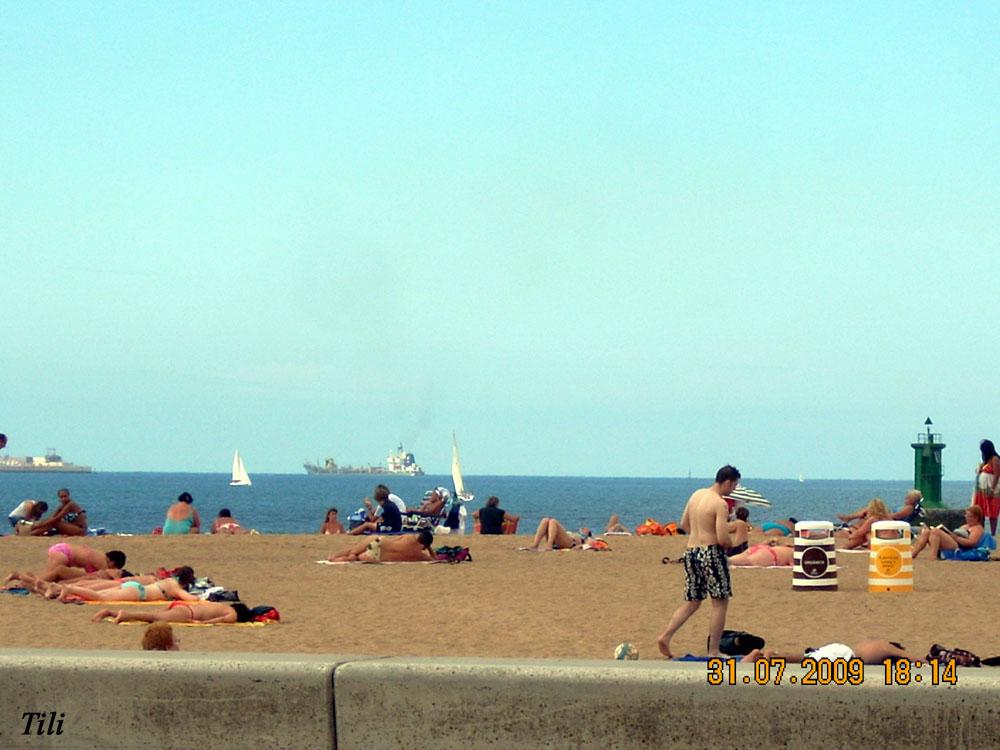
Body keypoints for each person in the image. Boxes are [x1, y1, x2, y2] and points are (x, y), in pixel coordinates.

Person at [656, 465, 739, 660]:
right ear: (728, 482)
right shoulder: (719, 503)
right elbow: (722, 538)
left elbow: (684, 524)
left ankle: (666, 635)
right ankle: (714, 650)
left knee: (692, 601)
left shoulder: (697, 495)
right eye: (734, 486)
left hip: (692, 551)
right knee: (720, 602)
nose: (733, 490)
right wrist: (732, 543)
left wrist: (701, 532)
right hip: (711, 553)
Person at [50, 566, 199, 603]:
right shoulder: (176, 588)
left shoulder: (169, 581)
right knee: (100, 597)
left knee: (99, 594)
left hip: (134, 586)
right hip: (139, 593)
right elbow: (192, 599)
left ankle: (68, 591)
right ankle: (70, 588)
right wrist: (197, 597)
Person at [4, 544, 126, 586]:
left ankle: (25, 578)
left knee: (50, 576)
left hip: (61, 550)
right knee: (47, 580)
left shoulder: (98, 555)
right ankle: (20, 578)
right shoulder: (102, 560)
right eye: (115, 568)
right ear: (113, 562)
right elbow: (105, 575)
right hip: (64, 554)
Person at [912, 505, 995, 561]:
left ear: (976, 517)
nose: (966, 518)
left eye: (969, 516)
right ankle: (913, 554)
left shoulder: (977, 528)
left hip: (959, 547)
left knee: (935, 531)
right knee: (927, 532)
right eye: (966, 516)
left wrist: (956, 538)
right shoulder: (966, 525)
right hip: (953, 541)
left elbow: (971, 543)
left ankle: (933, 556)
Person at [741, 639, 917, 665]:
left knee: (807, 658)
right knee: (807, 660)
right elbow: (906, 656)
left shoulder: (872, 647)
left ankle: (772, 655)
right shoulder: (883, 648)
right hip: (844, 656)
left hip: (840, 651)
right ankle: (771, 656)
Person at [93, 601, 253, 625]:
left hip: (185, 607)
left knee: (152, 615)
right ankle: (125, 615)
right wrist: (201, 623)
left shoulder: (224, 605)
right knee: (153, 618)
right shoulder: (233, 615)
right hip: (188, 613)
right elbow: (220, 620)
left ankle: (110, 612)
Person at [328, 529, 436, 563]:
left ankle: (333, 557)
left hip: (381, 542)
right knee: (356, 558)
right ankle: (344, 559)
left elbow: (393, 541)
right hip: (377, 556)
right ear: (426, 545)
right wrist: (429, 548)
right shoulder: (419, 555)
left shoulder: (409, 537)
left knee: (353, 550)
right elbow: (434, 560)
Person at [838, 490, 923, 526]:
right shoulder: (908, 507)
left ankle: (849, 518)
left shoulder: (909, 508)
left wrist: (881, 514)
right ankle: (849, 519)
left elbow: (895, 516)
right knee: (869, 510)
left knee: (870, 511)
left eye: (907, 498)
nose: (905, 498)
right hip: (890, 518)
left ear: (913, 499)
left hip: (892, 521)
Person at [972, 439, 1000, 535]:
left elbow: (997, 475)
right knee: (981, 512)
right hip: (982, 490)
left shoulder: (995, 459)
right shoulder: (985, 461)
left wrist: (992, 489)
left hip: (991, 489)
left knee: (993, 512)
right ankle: (981, 532)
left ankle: (993, 533)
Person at [727, 540, 795, 567]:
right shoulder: (795, 554)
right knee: (748, 560)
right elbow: (792, 564)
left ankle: (724, 560)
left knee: (735, 559)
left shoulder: (789, 547)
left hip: (766, 548)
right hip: (771, 555)